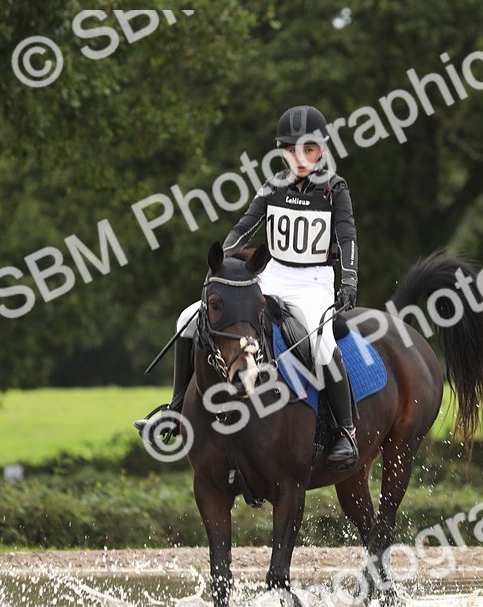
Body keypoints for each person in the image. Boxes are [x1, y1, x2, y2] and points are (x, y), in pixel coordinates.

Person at [135, 104, 359, 469]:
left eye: (309, 150)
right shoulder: (274, 184)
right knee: (187, 319)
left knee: (321, 343)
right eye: (291, 150)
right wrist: (221, 265)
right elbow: (245, 225)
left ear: (322, 149)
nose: (300, 158)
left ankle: (344, 430)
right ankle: (176, 410)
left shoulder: (335, 189)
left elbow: (346, 235)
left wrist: (349, 278)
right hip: (271, 274)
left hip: (313, 281)